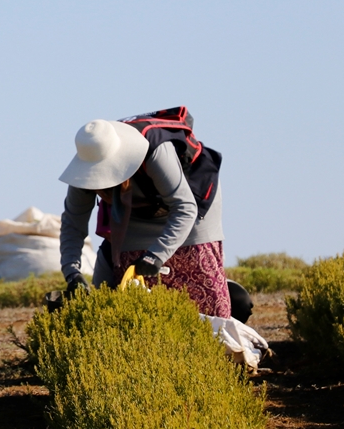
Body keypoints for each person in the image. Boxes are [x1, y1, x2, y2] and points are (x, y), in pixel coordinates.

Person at [58, 118, 231, 317]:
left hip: (190, 205)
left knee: (207, 298)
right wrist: (72, 273)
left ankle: (228, 307)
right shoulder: (85, 168)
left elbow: (185, 208)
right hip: (134, 209)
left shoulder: (154, 151)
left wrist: (156, 255)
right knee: (117, 296)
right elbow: (73, 224)